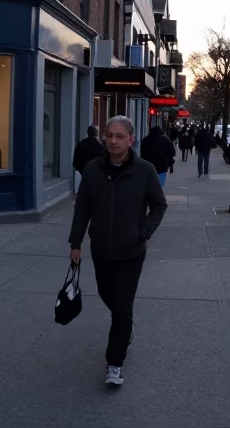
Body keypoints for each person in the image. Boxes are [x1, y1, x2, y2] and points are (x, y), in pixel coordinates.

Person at [68, 115, 167, 388]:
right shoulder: (92, 169)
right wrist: (75, 243)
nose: (112, 141)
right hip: (101, 248)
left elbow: (159, 205)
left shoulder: (145, 170)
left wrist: (143, 232)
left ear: (130, 139)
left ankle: (114, 363)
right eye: (109, 135)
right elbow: (82, 209)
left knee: (122, 308)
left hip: (131, 251)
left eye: (119, 136)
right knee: (106, 293)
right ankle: (124, 326)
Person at [72, 125, 104, 193]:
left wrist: (80, 169)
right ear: (96, 133)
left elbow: (76, 160)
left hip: (84, 171)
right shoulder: (100, 145)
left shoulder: (81, 144)